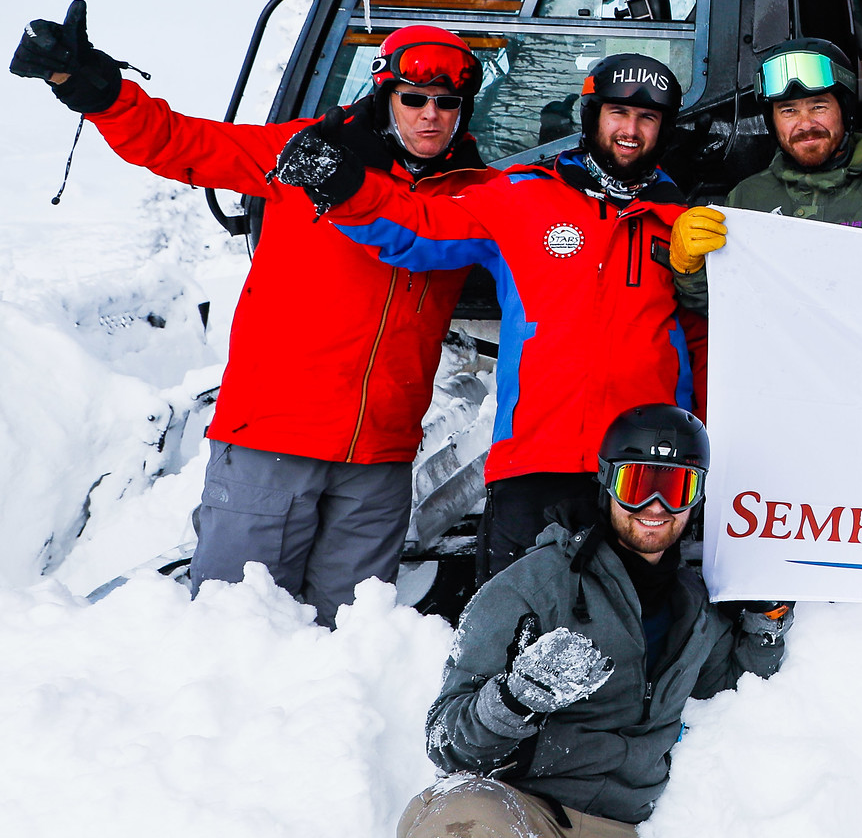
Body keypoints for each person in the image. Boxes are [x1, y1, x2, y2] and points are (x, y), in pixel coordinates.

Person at [11, 4, 488, 626]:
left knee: (352, 639)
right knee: (235, 626)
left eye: (446, 104)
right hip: (274, 436)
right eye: (414, 98)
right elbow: (178, 142)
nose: (431, 115)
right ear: (384, 95)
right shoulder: (305, 155)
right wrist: (94, 90)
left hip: (379, 456)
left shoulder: (476, 193)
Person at [272, 53, 729, 582]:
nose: (630, 130)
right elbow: (420, 229)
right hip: (534, 463)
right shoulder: (523, 195)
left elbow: (708, 343)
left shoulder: (685, 225)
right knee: (512, 633)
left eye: (647, 118)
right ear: (592, 115)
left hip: (645, 476)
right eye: (616, 114)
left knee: (633, 631)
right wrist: (346, 187)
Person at [398, 405, 791, 838]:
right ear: (607, 482)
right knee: (464, 837)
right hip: (515, 810)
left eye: (677, 488)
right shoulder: (533, 588)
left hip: (618, 835)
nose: (656, 507)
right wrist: (512, 701)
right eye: (638, 486)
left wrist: (768, 618)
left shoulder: (693, 609)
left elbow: (732, 688)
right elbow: (443, 741)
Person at [673, 37, 862, 312]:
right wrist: (689, 271)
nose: (805, 124)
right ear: (772, 121)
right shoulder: (747, 200)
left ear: (845, 110)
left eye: (818, 106)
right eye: (788, 111)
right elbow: (719, 307)